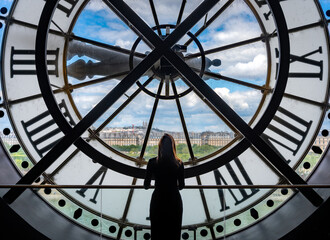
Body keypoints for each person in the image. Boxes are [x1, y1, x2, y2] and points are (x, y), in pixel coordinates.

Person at [144, 133, 185, 240]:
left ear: (160, 146)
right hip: (174, 200)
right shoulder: (179, 163)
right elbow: (181, 186)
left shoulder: (152, 162)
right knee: (174, 233)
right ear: (173, 146)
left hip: (158, 199)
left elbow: (146, 185)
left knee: (157, 232)